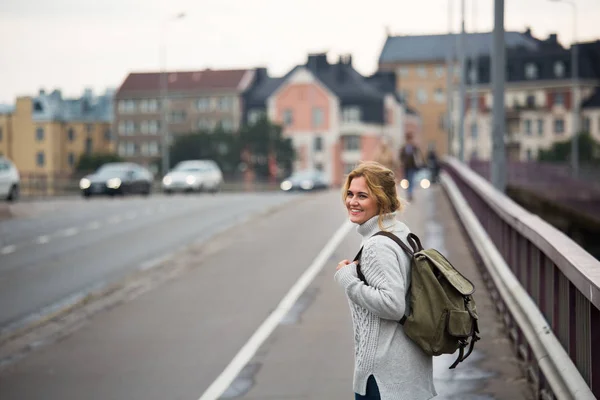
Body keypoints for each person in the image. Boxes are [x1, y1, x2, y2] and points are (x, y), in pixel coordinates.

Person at [335, 161, 436, 400]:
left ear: (381, 200)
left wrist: (348, 279)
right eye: (350, 194)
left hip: (384, 380)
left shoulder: (377, 245)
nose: (352, 202)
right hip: (405, 372)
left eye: (362, 196)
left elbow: (393, 304)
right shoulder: (399, 230)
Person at [398, 133, 423, 201]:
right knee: (407, 180)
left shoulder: (414, 147)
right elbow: (401, 156)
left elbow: (418, 156)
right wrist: (401, 164)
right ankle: (408, 193)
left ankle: (410, 193)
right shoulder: (404, 147)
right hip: (406, 167)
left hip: (412, 166)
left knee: (411, 180)